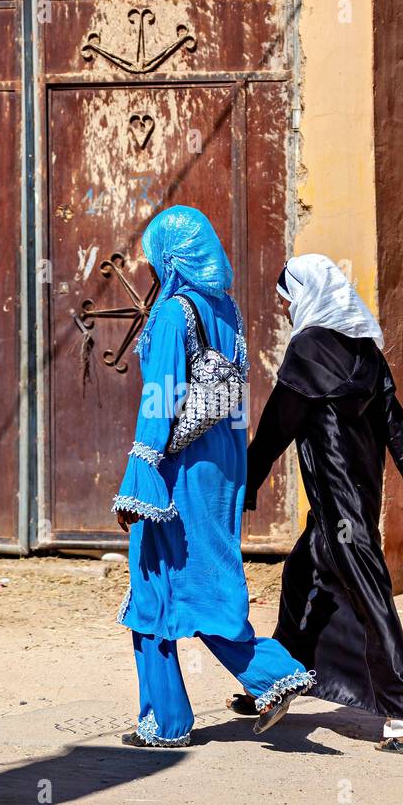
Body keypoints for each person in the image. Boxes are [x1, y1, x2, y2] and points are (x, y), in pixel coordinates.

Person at [235, 253, 403, 755]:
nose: (287, 309)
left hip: (339, 508)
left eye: (287, 299)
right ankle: (276, 681)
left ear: (307, 295)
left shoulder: (309, 349)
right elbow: (397, 428)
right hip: (351, 503)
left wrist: (242, 481)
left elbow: (277, 426)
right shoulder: (365, 351)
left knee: (370, 600)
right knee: (298, 578)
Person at [112, 205, 314, 748]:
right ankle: (171, 717)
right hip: (219, 466)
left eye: (155, 254)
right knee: (184, 581)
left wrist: (140, 475)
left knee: (172, 583)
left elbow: (160, 399)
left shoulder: (176, 312)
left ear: (171, 256)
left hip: (177, 471)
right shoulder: (224, 309)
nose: (149, 265)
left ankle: (261, 678)